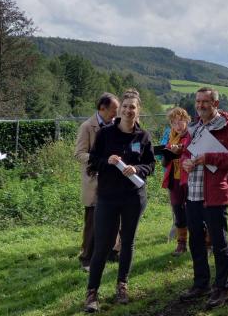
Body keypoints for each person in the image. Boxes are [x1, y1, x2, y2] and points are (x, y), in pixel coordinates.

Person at [84, 89, 155, 312]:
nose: (127, 110)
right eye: (124, 106)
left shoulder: (143, 137)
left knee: (128, 242)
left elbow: (151, 165)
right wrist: (108, 160)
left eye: (132, 107)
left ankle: (122, 286)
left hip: (133, 197)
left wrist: (138, 168)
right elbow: (93, 161)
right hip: (107, 197)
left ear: (138, 110)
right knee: (103, 245)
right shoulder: (105, 134)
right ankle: (92, 293)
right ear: (120, 109)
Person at [179, 87, 228, 309]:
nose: (200, 105)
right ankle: (201, 284)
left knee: (219, 241)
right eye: (198, 101)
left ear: (215, 104)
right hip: (194, 192)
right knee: (196, 240)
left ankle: (222, 287)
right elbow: (188, 154)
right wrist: (186, 162)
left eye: (205, 102)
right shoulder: (194, 127)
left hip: (216, 193)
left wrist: (210, 157)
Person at [74, 93, 121, 272]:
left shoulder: (115, 125)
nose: (116, 114)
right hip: (95, 181)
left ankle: (111, 252)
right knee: (93, 221)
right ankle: (86, 258)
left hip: (114, 181)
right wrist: (101, 160)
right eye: (113, 110)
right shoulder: (87, 126)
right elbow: (79, 154)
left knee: (114, 220)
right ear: (102, 108)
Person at [160, 107, 192, 256]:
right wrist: (169, 153)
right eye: (174, 123)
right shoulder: (171, 137)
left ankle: (204, 242)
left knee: (193, 210)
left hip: (190, 178)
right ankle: (181, 244)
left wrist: (182, 150)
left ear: (187, 120)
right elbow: (164, 163)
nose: (177, 126)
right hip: (175, 179)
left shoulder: (192, 135)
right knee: (177, 210)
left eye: (180, 122)